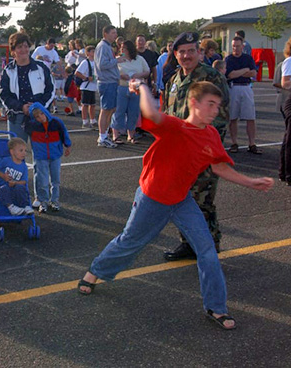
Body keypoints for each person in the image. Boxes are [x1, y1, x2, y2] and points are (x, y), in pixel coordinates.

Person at [78, 80, 274, 330]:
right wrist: (143, 88)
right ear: (194, 103)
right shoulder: (175, 127)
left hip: (181, 200)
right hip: (152, 198)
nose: (215, 110)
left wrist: (251, 182)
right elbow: (150, 114)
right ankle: (94, 272)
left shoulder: (211, 135)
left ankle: (216, 307)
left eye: (218, 105)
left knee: (207, 250)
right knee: (130, 242)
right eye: (210, 104)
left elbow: (219, 166)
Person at [161, 32, 230, 261]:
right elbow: (168, 116)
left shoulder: (211, 78)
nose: (187, 55)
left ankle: (209, 247)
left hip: (202, 155)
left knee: (203, 202)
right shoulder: (173, 80)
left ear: (199, 52)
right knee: (182, 201)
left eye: (191, 50)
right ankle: (188, 244)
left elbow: (219, 118)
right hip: (178, 156)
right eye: (182, 51)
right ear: (176, 54)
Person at [0, 31, 54, 142]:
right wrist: (21, 107)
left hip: (40, 116)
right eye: (19, 47)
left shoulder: (41, 67)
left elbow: (51, 90)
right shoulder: (8, 71)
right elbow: (4, 95)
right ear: (13, 51)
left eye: (26, 46)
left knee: (42, 155)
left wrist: (39, 107)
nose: (24, 50)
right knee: (16, 155)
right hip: (17, 118)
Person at [25, 104, 71, 213]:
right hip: (41, 157)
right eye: (37, 116)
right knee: (42, 181)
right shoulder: (32, 125)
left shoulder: (56, 122)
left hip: (55, 155)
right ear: (33, 118)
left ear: (45, 111)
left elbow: (64, 133)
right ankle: (43, 201)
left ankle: (54, 200)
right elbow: (25, 127)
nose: (41, 117)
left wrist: (67, 145)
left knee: (55, 180)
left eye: (42, 113)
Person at [225, 36, 262, 154]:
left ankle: (252, 143)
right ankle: (234, 143)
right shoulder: (228, 59)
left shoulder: (248, 58)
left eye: (238, 46)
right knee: (233, 118)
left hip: (246, 88)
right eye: (233, 46)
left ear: (242, 46)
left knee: (250, 117)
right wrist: (244, 70)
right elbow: (231, 75)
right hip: (233, 88)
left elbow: (253, 73)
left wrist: (240, 72)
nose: (235, 48)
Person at [111, 40, 150, 144]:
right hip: (122, 87)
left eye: (124, 48)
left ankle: (131, 135)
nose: (122, 50)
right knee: (119, 111)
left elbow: (147, 71)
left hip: (136, 88)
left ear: (130, 49)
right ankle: (116, 135)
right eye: (121, 48)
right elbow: (112, 72)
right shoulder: (118, 60)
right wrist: (121, 76)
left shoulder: (139, 59)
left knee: (133, 112)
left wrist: (139, 75)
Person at [95, 25, 125, 148]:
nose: (115, 35)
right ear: (105, 34)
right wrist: (116, 61)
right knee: (106, 110)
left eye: (115, 33)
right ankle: (102, 137)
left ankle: (105, 135)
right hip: (106, 82)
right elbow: (102, 64)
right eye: (113, 33)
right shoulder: (103, 46)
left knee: (110, 109)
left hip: (110, 81)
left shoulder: (107, 46)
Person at [0, 137, 34, 216]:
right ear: (12, 152)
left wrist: (15, 182)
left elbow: (24, 181)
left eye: (25, 150)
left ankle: (25, 206)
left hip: (15, 188)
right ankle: (11, 207)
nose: (24, 153)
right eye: (21, 150)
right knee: (4, 188)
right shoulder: (6, 161)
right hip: (3, 187)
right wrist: (3, 176)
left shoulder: (24, 166)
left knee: (21, 187)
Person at [277, 36, 291, 186]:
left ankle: (283, 171)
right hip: (289, 101)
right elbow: (285, 83)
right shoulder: (289, 61)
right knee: (290, 139)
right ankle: (288, 174)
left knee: (288, 136)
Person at [75, 45, 98, 129]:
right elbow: (77, 73)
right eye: (92, 51)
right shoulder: (85, 62)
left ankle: (92, 120)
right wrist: (86, 78)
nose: (94, 53)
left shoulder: (96, 62)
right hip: (86, 86)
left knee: (93, 104)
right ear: (88, 53)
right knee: (85, 104)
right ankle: (85, 121)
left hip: (93, 86)